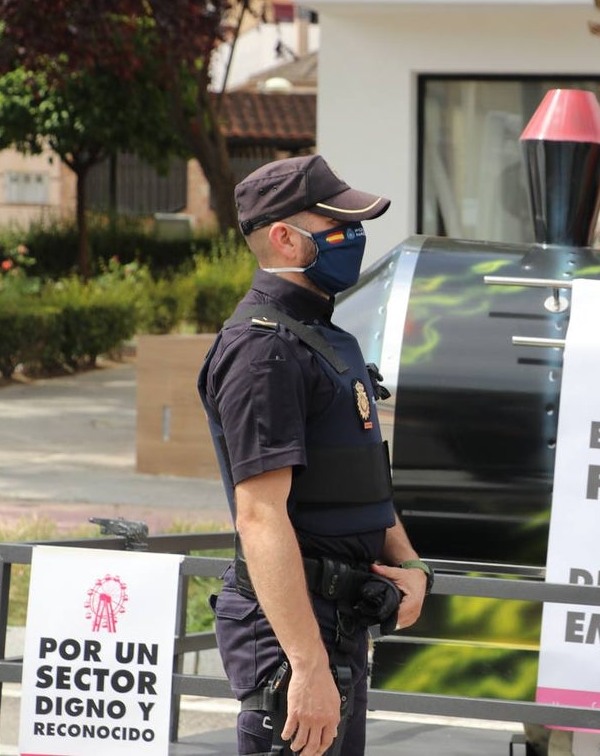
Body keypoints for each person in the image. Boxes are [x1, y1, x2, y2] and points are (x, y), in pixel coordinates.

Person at [198, 154, 432, 756]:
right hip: (290, 631)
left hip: (338, 620)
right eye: (336, 224)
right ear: (283, 236)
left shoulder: (331, 340)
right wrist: (306, 666)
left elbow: (361, 480)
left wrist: (411, 566)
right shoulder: (262, 351)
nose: (353, 237)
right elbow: (260, 515)